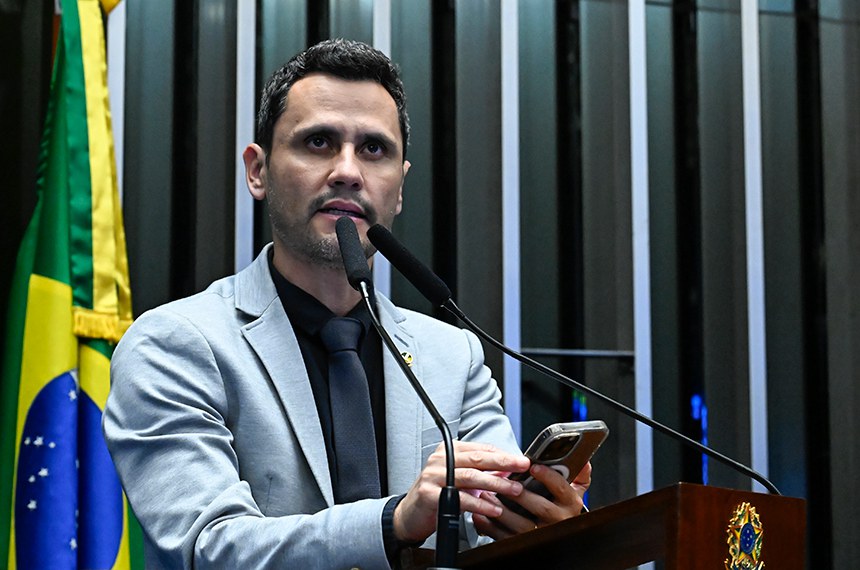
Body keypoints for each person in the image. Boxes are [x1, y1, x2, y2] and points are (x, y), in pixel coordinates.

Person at [103, 38, 591, 569]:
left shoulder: (453, 356)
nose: (347, 172)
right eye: (318, 142)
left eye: (374, 150)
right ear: (257, 171)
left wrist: (548, 523)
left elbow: (495, 534)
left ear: (399, 187)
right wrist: (393, 521)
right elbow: (206, 548)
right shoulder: (174, 342)